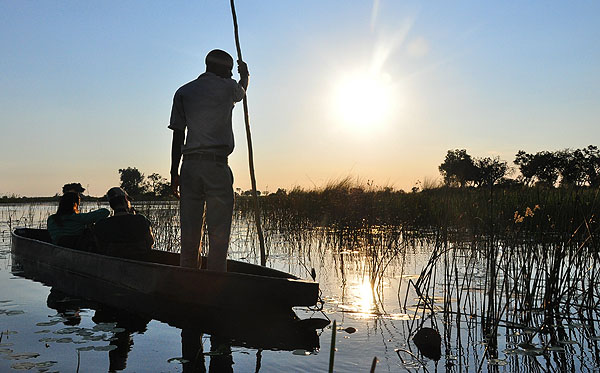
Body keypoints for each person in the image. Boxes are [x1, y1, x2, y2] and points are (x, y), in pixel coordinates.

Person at [168, 49, 249, 271]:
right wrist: (246, 76)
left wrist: (174, 173)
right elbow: (241, 90)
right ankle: (215, 286)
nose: (231, 75)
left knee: (189, 235)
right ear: (222, 69)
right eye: (230, 70)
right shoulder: (228, 87)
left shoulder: (184, 91)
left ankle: (188, 283)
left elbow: (178, 135)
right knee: (219, 236)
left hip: (190, 167)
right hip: (216, 166)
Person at [93, 187, 154, 260]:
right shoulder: (141, 220)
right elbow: (150, 242)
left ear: (111, 204)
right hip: (139, 262)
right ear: (125, 200)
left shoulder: (101, 224)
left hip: (112, 264)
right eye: (129, 200)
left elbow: (99, 247)